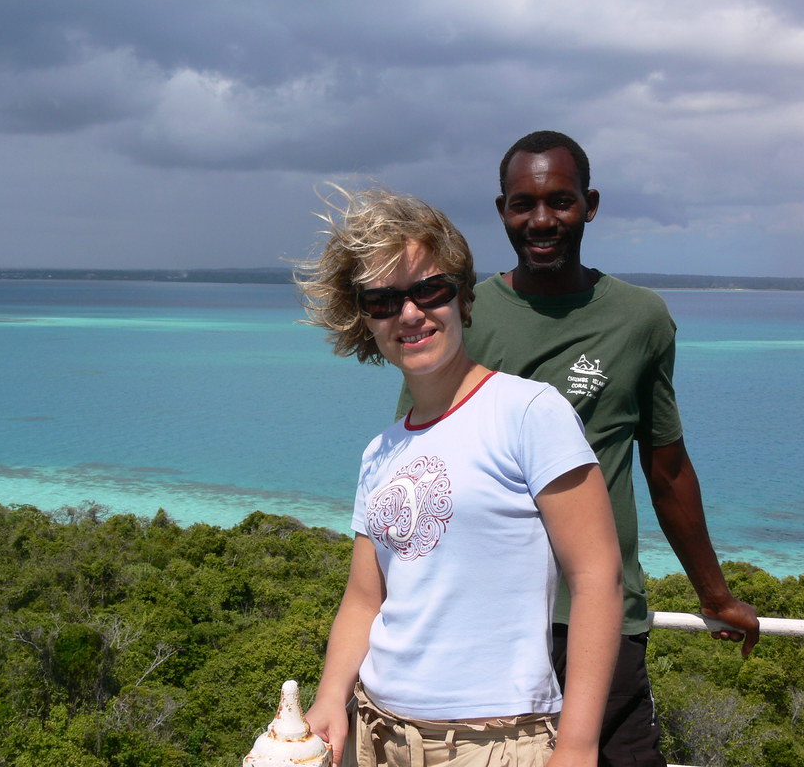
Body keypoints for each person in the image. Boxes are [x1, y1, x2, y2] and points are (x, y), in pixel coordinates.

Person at [397, 131, 760, 766]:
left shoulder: (640, 318)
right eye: (523, 204)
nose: (541, 220)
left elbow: (666, 468)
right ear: (502, 211)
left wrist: (714, 593)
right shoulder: (463, 315)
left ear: (590, 205)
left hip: (600, 615)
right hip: (486, 618)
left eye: (560, 201)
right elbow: (417, 466)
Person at [297, 186, 623, 767]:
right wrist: (329, 698)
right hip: (376, 733)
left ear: (463, 296)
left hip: (493, 741)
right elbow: (365, 599)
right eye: (383, 300)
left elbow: (598, 577)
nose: (410, 313)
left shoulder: (528, 411)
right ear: (365, 320)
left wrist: (577, 744)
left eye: (430, 289)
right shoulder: (380, 451)